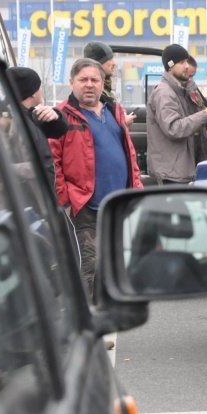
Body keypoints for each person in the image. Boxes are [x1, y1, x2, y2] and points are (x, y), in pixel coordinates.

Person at [48, 58, 143, 302]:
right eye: (83, 80)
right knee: (87, 267)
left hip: (118, 205)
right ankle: (82, 319)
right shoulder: (61, 116)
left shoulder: (114, 110)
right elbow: (53, 162)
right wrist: (65, 199)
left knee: (113, 268)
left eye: (94, 80)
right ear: (72, 82)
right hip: (84, 206)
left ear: (102, 83)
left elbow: (129, 154)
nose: (89, 85)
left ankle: (105, 317)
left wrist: (137, 189)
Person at [146, 44, 207, 184]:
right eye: (181, 62)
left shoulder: (187, 90)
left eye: (187, 61)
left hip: (190, 168)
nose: (187, 66)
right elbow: (174, 128)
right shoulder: (164, 93)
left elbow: (192, 125)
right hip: (174, 173)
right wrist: (205, 115)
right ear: (170, 66)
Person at [4, 67, 68, 189]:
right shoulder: (20, 122)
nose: (41, 90)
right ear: (32, 93)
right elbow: (38, 166)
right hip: (34, 195)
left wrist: (56, 115)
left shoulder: (30, 116)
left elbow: (61, 130)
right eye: (39, 86)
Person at [84, 41, 136, 127]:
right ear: (98, 64)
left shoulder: (105, 90)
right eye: (109, 59)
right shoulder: (94, 93)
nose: (114, 63)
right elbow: (100, 127)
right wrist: (123, 123)